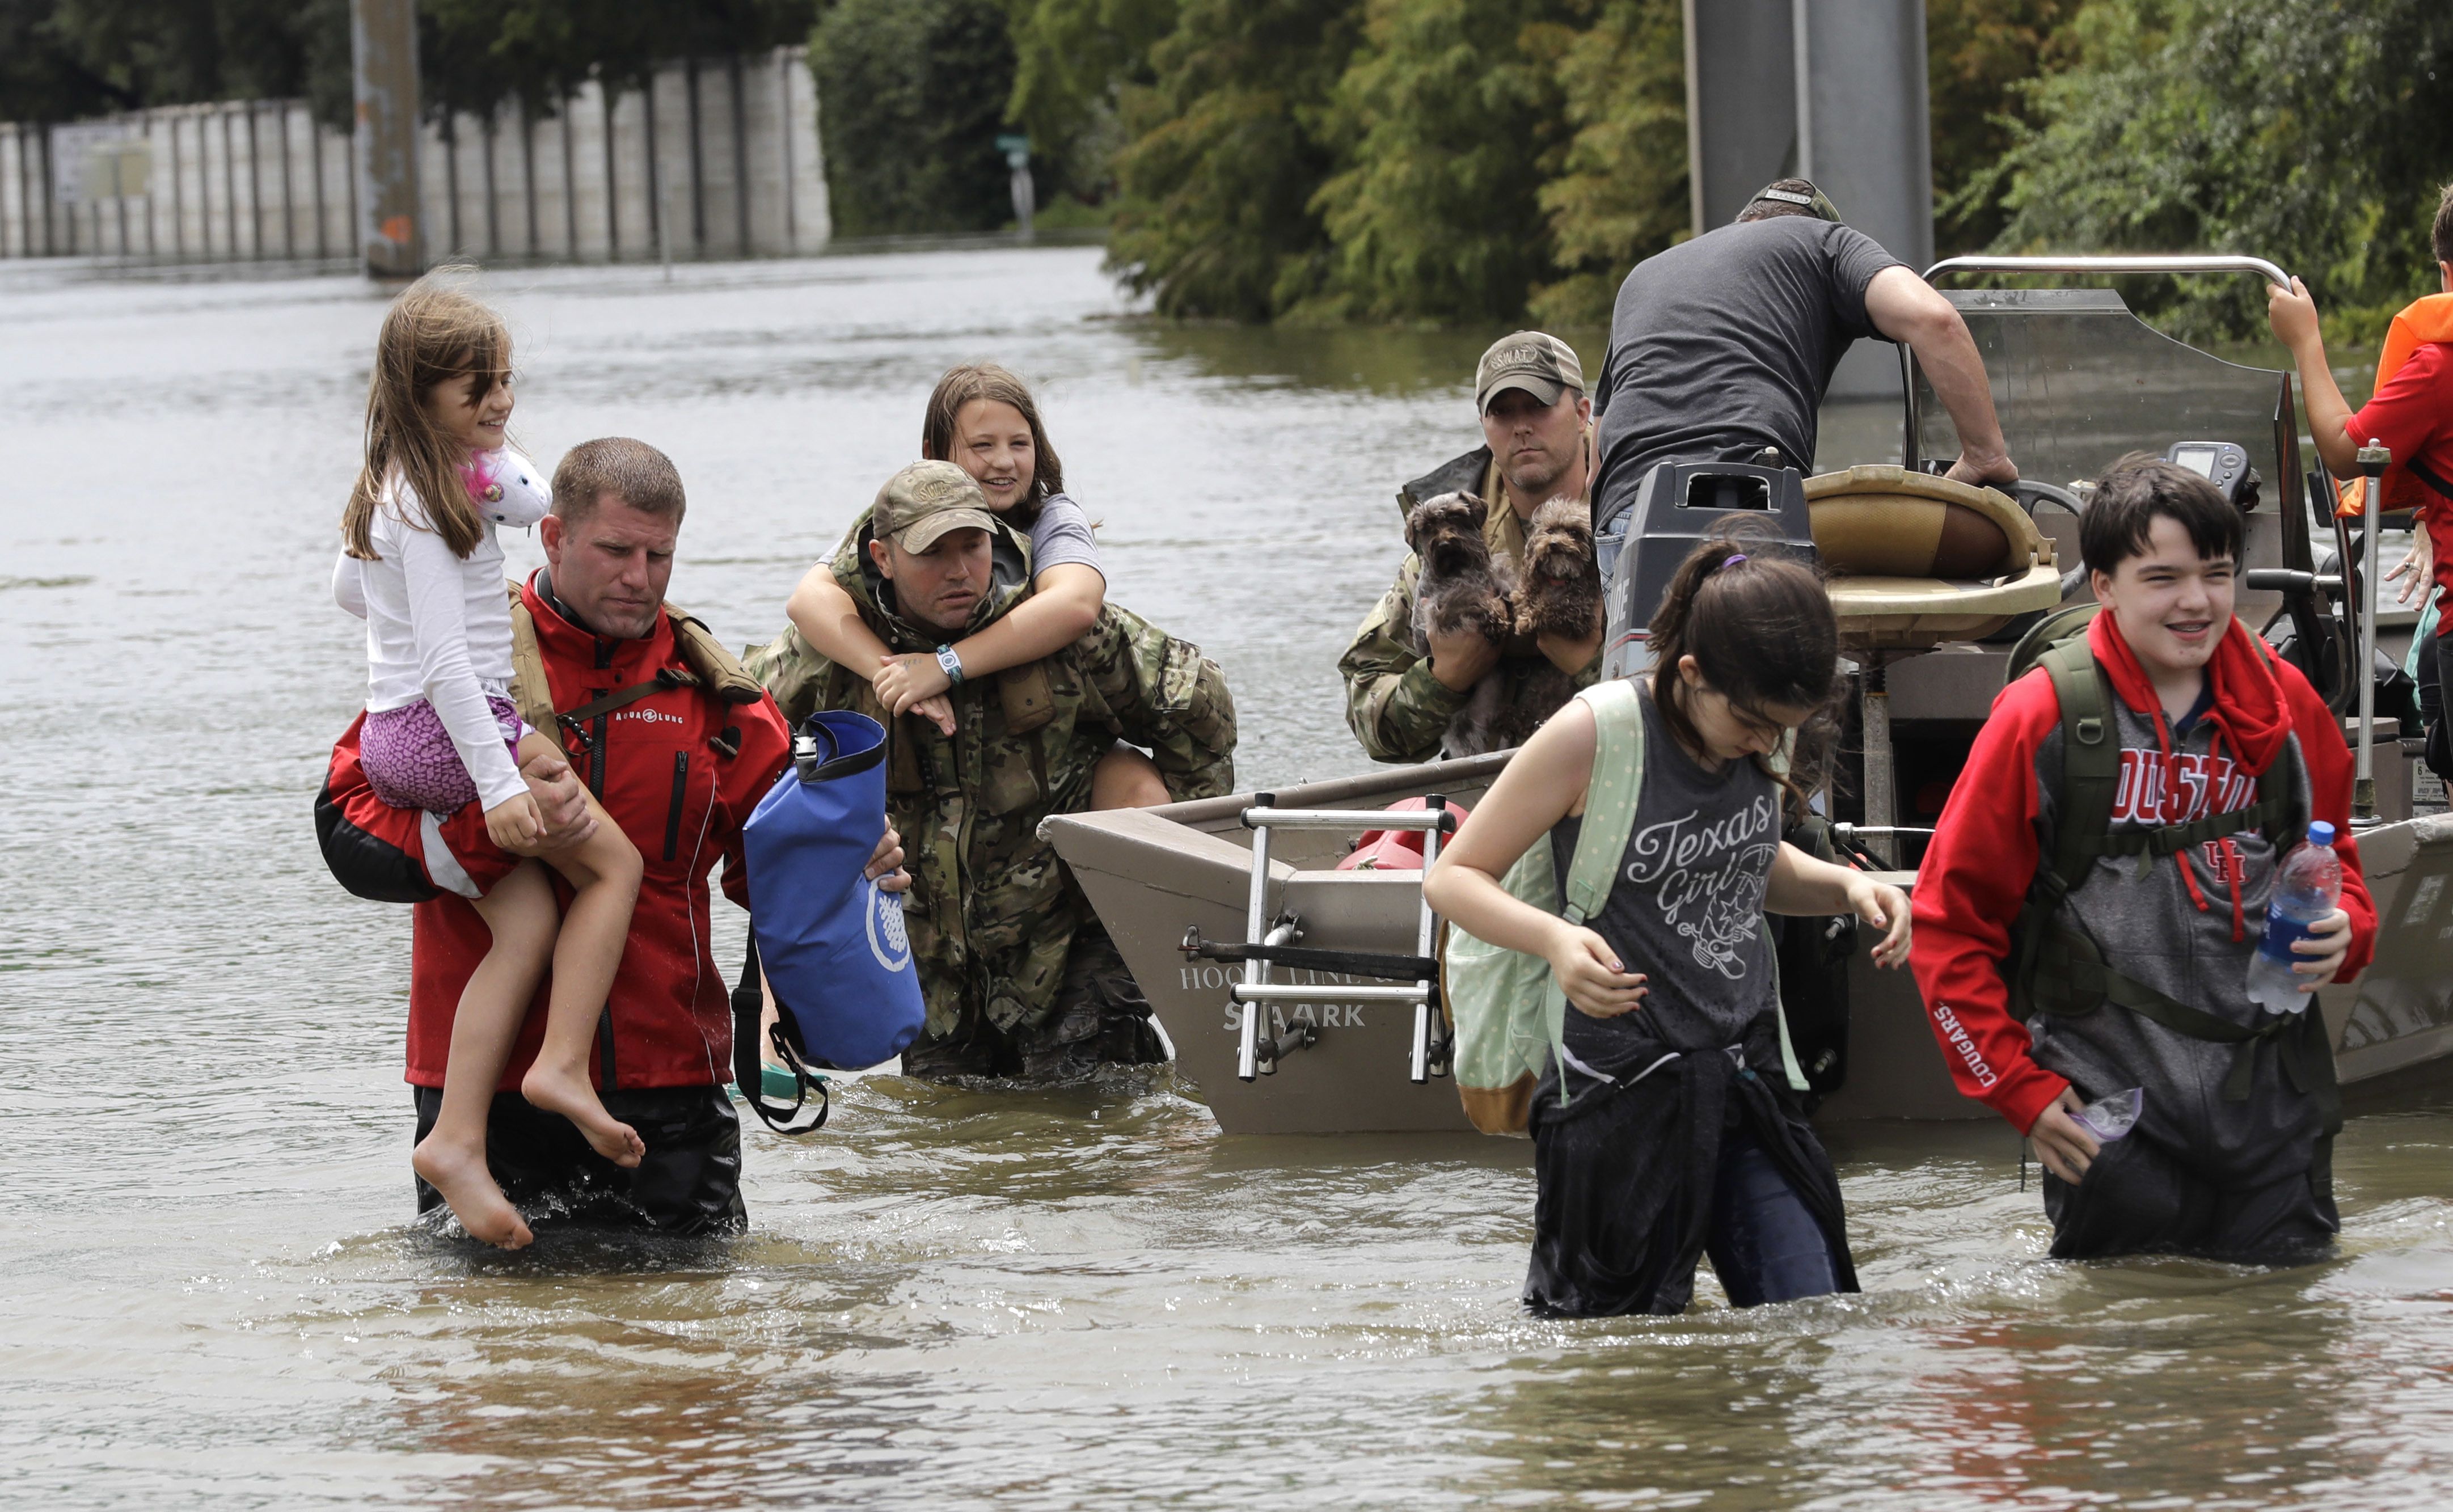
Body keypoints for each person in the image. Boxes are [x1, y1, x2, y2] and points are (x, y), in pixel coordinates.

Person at [319, 436, 907, 1237]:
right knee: (491, 1354)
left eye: (660, 555)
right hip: (487, 1103)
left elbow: (778, 874)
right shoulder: (460, 664)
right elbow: (347, 823)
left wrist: (858, 861)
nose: (640, 577)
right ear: (553, 536)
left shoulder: (715, 697)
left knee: (694, 1349)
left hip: (669, 1093)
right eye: (617, 550)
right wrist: (499, 825)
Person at [1422, 528, 1913, 1317]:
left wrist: (1848, 889)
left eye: (1782, 726)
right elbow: (1452, 877)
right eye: (1753, 724)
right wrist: (1555, 938)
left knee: (1813, 1314)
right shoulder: (1595, 734)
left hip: (1743, 1072)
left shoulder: (1764, 721)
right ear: (1691, 674)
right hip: (1616, 1085)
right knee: (1611, 1351)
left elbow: (1751, 864)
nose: (1766, 743)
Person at [1911, 459, 2379, 1264]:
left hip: (2271, 1116)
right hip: (2110, 1123)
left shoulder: (2286, 703)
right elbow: (1947, 925)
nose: (2195, 602)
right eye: (2161, 578)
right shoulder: (2040, 715)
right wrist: (2019, 1091)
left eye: (2216, 574)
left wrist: (2348, 930)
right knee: (2119, 1356)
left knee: (2291, 1357)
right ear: (2103, 585)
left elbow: (2340, 869)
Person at [746, 460, 1237, 1081]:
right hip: (930, 966)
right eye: (933, 554)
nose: (959, 571)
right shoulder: (828, 656)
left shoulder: (1056, 632)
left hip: (1068, 947)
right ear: (883, 556)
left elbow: (1201, 714)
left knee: (1098, 1122)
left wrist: (1163, 874)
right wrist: (831, 839)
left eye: (972, 546)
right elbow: (743, 759)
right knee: (950, 1133)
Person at [332, 277, 645, 1251]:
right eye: (477, 390)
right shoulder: (420, 507)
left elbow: (352, 588)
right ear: (422, 393)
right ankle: (558, 1066)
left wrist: (487, 450)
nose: (500, 402)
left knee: (529, 919)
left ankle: (457, 1138)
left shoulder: (423, 483)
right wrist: (502, 781)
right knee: (616, 865)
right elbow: (444, 666)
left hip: (415, 725)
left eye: (506, 381)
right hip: (441, 728)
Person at [786, 361, 1167, 807]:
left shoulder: (1051, 517)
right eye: (982, 445)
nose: (1003, 461)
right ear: (934, 454)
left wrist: (943, 667)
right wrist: (893, 675)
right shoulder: (904, 515)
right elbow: (809, 599)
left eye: (1019, 444)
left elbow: (1076, 603)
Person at [1589, 177, 2017, 537]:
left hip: (1625, 514)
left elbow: (1598, 456)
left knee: (1655, 638)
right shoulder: (1825, 242)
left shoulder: (1644, 274)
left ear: (1745, 223)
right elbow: (1935, 320)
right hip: (1742, 503)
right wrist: (1985, 457)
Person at [1340, 331, 1603, 765]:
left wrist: (1589, 665)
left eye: (1538, 406)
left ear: (1581, 413)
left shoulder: (1636, 522)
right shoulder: (1448, 543)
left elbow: (1705, 691)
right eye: (1502, 412)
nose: (1521, 426)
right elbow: (1368, 713)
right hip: (1482, 781)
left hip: (1606, 771)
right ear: (1484, 426)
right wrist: (1444, 678)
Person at [2265, 181, 2453, 780]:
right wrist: (2426, 515)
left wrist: (2305, 341)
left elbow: (2348, 451)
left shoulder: (2436, 370)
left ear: (2445, 274)